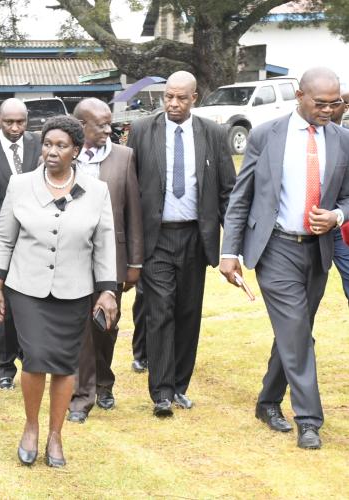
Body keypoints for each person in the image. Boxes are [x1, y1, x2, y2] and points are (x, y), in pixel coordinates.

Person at [220, 67, 349, 450]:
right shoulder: (266, 134)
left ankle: (267, 401)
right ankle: (309, 421)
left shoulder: (343, 140)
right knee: (297, 334)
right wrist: (230, 251)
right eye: (320, 103)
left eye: (335, 103)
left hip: (318, 250)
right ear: (300, 95)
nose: (328, 110)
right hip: (275, 248)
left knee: (294, 334)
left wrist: (338, 216)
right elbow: (242, 196)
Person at [0, 116, 117, 468]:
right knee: (36, 357)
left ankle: (55, 435)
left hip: (74, 291)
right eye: (47, 144)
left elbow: (104, 244)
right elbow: (2, 237)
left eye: (61, 146)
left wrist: (107, 291)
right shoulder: (20, 184)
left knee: (63, 365)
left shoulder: (96, 190)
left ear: (76, 150)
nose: (52, 152)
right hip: (26, 289)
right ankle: (31, 426)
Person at [127, 71, 236, 417]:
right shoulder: (143, 131)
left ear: (195, 98)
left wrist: (231, 245)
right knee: (159, 311)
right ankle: (160, 392)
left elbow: (227, 192)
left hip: (195, 236)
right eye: (168, 97)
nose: (173, 104)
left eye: (181, 98)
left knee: (188, 313)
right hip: (156, 238)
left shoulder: (214, 135)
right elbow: (131, 187)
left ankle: (179, 387)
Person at [67, 98, 143, 422]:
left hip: (112, 257)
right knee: (79, 328)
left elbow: (133, 213)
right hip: (74, 257)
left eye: (109, 123)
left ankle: (104, 381)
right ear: (82, 126)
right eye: (100, 124)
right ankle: (81, 396)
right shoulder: (64, 155)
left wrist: (135, 263)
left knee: (106, 326)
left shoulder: (124, 157)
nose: (108, 129)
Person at [0, 98, 41, 390]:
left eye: (21, 122)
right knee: (0, 301)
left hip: (35, 237)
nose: (15, 128)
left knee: (31, 300)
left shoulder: (41, 146)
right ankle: (4, 364)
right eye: (8, 122)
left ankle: (31, 356)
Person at [329, 90, 349, 304]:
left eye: (336, 103)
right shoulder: (298, 139)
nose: (329, 108)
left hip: (343, 228)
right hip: (303, 229)